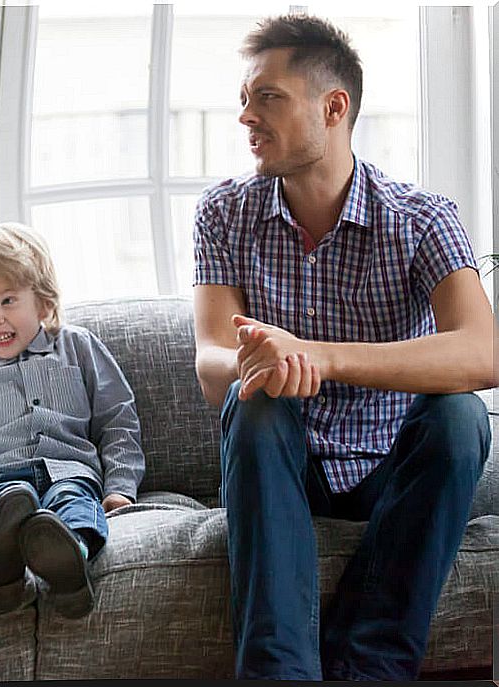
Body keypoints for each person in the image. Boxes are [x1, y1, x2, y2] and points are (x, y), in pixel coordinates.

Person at [192, 13, 495, 681]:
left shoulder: (421, 218)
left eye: (267, 97)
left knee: (460, 416)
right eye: (243, 99)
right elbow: (212, 360)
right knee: (255, 403)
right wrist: (258, 364)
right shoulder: (223, 213)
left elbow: (483, 352)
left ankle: (371, 667)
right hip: (285, 466)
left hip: (389, 464)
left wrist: (319, 356)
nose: (246, 117)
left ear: (334, 107)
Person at [0, 222, 145, 620]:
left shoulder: (79, 347)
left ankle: (69, 562)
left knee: (72, 502)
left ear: (42, 302)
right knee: (7, 501)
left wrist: (120, 488)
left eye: (7, 301)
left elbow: (117, 422)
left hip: (68, 472)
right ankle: (2, 573)